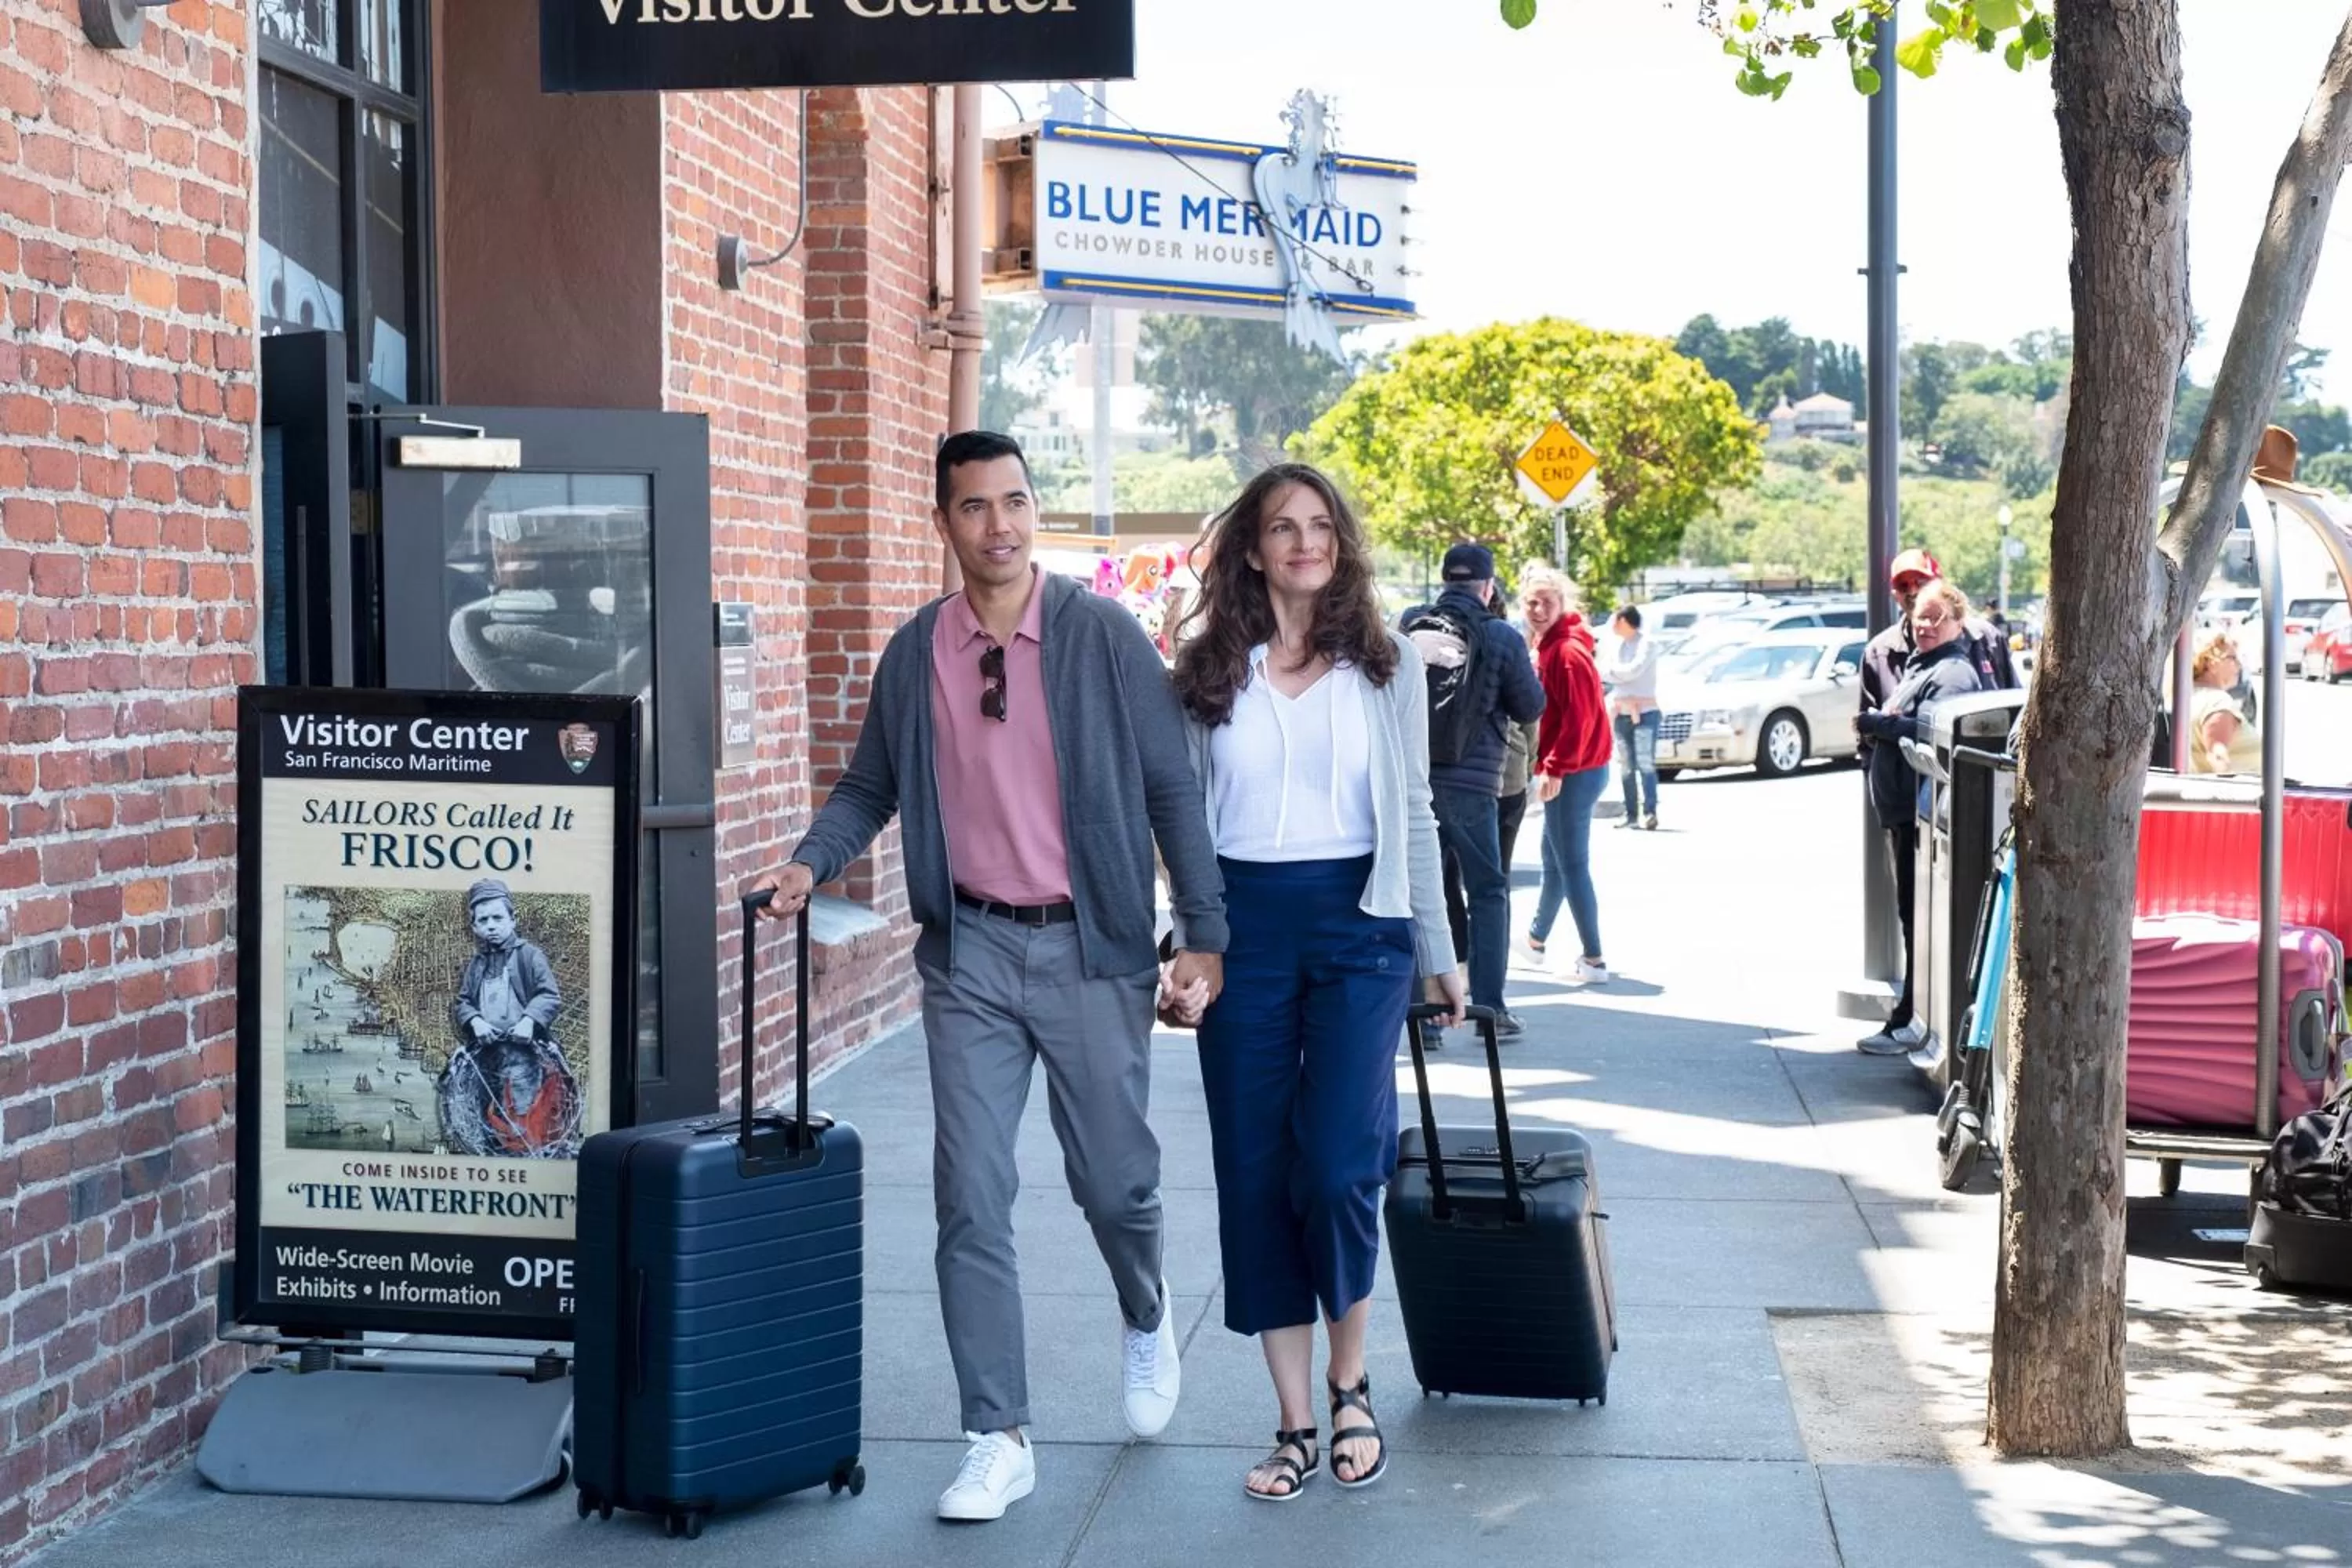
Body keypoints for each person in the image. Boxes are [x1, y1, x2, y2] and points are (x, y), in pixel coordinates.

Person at [750, 430, 1229, 1523]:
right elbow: (868, 785)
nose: (999, 524)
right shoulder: (916, 650)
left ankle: (1144, 1309)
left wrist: (1202, 933)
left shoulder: (1103, 636)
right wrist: (810, 861)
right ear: (944, 522)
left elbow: (1172, 788)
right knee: (970, 1191)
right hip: (969, 952)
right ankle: (997, 1434)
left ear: (1032, 509)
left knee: (1115, 1182)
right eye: (975, 506)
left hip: (1092, 946)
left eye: (1014, 501)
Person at [1160, 461, 1463, 1502]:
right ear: (1252, 549)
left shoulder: (1387, 665)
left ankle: (1351, 1381)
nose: (1305, 542)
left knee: (1337, 1165)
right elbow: (1180, 821)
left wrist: (1440, 951)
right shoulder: (1206, 671)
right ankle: (1294, 1420)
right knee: (1254, 1171)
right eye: (1283, 527)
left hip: (1361, 927)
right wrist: (1187, 944)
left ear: (1342, 544)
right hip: (1239, 930)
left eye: (1321, 525)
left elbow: (1415, 807)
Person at [1855, 549, 2017, 1056]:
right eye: (1905, 591)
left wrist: (1881, 726)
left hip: (1948, 810)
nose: (1922, 619)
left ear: (1955, 619)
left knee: (1945, 917)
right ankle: (1919, 1014)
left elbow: (1948, 729)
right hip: (1910, 810)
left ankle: (1931, 1019)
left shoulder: (1965, 659)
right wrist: (1876, 745)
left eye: (1933, 612)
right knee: (1915, 913)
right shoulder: (1888, 652)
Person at [1401, 543, 1545, 1040]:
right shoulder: (1501, 635)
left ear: (1445, 581)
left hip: (1414, 783)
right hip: (1472, 787)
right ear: (1487, 587)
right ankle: (1490, 1010)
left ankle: (1425, 1021)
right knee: (1487, 893)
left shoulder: (1410, 624)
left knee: (1419, 895)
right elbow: (1530, 706)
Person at [1521, 565, 1614, 984]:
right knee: (1555, 858)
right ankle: (1535, 940)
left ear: (1562, 604)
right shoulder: (1557, 645)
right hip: (1579, 768)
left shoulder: (1566, 652)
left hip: (1574, 771)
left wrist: (1556, 767)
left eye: (1547, 602)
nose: (1538, 610)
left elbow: (1580, 718)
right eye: (1531, 602)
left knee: (1571, 864)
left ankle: (1594, 959)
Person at [439, 877, 578, 1159]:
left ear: (513, 920)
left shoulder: (530, 957)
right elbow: (464, 1003)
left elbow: (549, 996)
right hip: (486, 1056)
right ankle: (492, 1156)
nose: (491, 926)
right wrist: (475, 1021)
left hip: (523, 1058)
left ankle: (521, 1159)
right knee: (489, 1110)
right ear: (474, 927)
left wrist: (529, 1021)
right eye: (483, 920)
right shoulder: (477, 965)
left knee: (520, 1112)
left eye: (498, 918)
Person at [1604, 604, 1662, 831]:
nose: (1612, 625)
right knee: (1626, 767)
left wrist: (1615, 673)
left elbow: (1634, 671)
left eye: (1615, 620)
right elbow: (1604, 671)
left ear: (1624, 621)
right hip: (1622, 713)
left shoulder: (1648, 644)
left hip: (1645, 712)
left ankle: (1650, 812)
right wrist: (1617, 673)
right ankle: (1631, 814)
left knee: (1646, 763)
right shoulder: (1616, 645)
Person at [2187, 629, 2263, 775]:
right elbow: (2217, 755)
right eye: (2232, 658)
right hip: (2239, 787)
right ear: (2211, 662)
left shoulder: (2188, 698)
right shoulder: (2217, 701)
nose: (2239, 665)